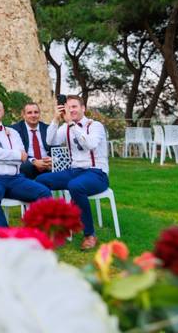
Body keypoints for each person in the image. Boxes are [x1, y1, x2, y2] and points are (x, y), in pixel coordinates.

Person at [36, 95, 110, 250]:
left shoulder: (95, 126)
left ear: (83, 108)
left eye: (74, 106)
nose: (71, 110)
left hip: (97, 173)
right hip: (75, 171)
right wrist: (56, 120)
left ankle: (89, 234)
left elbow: (89, 144)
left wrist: (70, 123)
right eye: (68, 107)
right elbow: (50, 141)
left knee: (75, 186)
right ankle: (54, 223)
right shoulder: (66, 127)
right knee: (41, 180)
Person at [0, 98, 51, 228]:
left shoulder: (13, 132)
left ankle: (38, 230)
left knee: (44, 192)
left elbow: (23, 157)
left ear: (3, 112)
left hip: (15, 179)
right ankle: (6, 236)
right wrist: (15, 155)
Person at [12, 102, 51, 180]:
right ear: (24, 115)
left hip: (48, 164)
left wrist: (52, 160)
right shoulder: (15, 130)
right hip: (28, 164)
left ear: (39, 114)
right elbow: (16, 151)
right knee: (25, 166)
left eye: (36, 112)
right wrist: (33, 161)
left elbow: (56, 148)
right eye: (29, 113)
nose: (33, 115)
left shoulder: (48, 129)